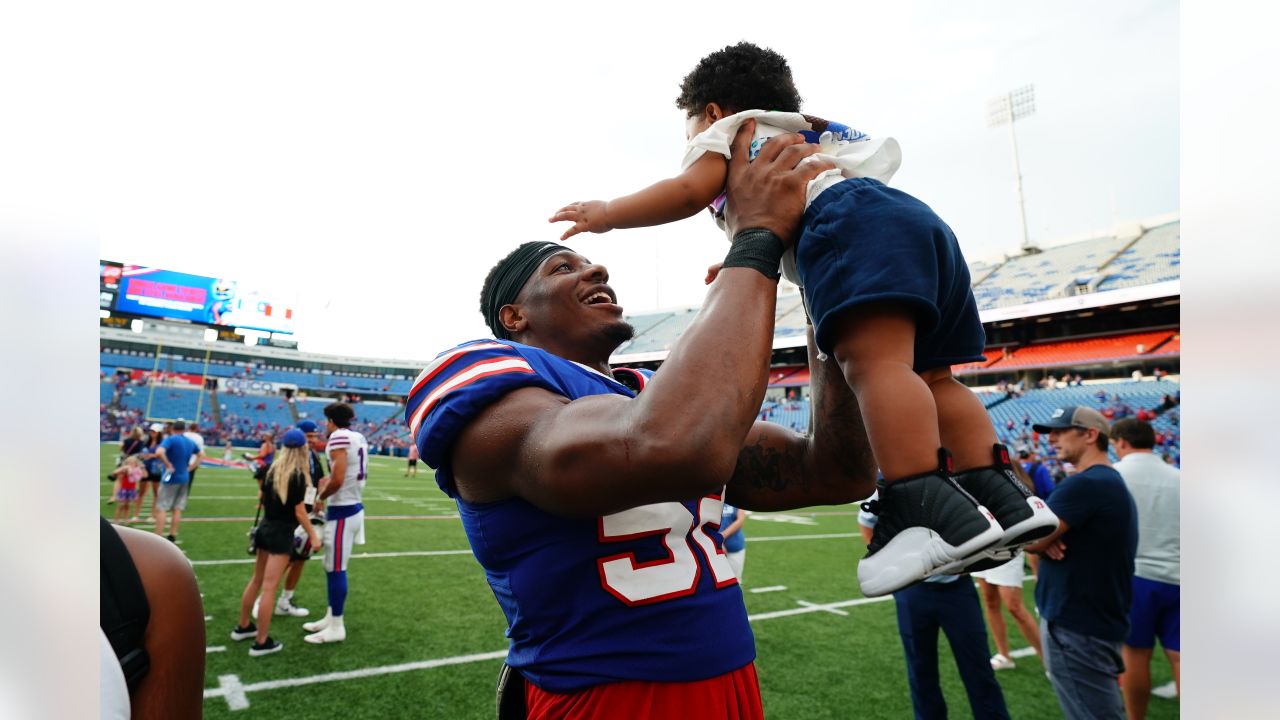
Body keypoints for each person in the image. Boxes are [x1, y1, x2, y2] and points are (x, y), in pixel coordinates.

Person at [549, 40, 1056, 596]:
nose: (692, 144)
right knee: (935, 377)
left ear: (712, 112)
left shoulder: (733, 130)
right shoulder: (804, 129)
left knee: (877, 366)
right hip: (911, 220)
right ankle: (1004, 497)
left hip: (847, 223)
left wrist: (608, 215)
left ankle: (920, 502)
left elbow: (689, 191)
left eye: (689, 130)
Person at [408, 128, 878, 718]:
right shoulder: (486, 373)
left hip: (731, 681)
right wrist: (755, 241)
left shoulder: (646, 393)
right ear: (514, 315)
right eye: (562, 267)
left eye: (588, 259)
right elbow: (670, 446)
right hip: (602, 693)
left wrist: (819, 295)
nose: (595, 266)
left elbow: (834, 471)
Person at [1026, 406, 1138, 720]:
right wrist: (1042, 542)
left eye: (1060, 431)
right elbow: (1040, 541)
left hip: (1076, 624)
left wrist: (1038, 543)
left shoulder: (1085, 484)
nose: (1051, 439)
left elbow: (1031, 540)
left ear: (1091, 435)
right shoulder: (1103, 481)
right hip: (1091, 620)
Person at [859, 491, 1011, 719]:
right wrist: (890, 562)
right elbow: (866, 522)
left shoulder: (954, 477)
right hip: (912, 589)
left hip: (957, 588)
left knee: (978, 669)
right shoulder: (888, 484)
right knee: (921, 671)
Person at [1111, 418, 1180, 718]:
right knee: (1181, 656)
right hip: (1181, 574)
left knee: (1136, 655)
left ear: (1121, 442)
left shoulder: (1113, 476)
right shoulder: (1179, 476)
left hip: (1137, 576)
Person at [231, 429, 321, 656]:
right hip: (281, 534)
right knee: (270, 587)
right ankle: (261, 641)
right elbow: (300, 512)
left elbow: (263, 497)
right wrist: (313, 535)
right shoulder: (299, 475)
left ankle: (243, 626)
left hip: (265, 528)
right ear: (302, 448)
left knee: (256, 581)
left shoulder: (272, 469)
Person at [301, 402, 369, 644]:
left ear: (331, 420)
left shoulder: (339, 437)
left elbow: (339, 478)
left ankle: (337, 625)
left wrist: (320, 497)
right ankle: (331, 616)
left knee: (336, 567)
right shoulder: (357, 436)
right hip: (349, 507)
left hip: (344, 510)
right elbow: (345, 472)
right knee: (331, 566)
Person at [973, 455, 1043, 671]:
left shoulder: (1012, 478)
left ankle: (1049, 661)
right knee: (990, 601)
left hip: (1007, 547)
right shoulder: (979, 475)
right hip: (983, 545)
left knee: (1014, 606)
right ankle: (1004, 655)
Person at [253, 419, 328, 620]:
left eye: (314, 436)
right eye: (309, 437)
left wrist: (319, 498)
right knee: (284, 560)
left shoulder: (313, 456)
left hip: (306, 514)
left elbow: (315, 483)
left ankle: (285, 600)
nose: (313, 440)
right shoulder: (289, 460)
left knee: (300, 559)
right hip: (291, 517)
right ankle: (263, 600)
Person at [154, 420, 199, 544]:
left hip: (170, 478)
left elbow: (159, 452)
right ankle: (172, 534)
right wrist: (191, 467)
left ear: (173, 428)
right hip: (184, 477)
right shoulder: (189, 442)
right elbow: (201, 454)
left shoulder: (171, 439)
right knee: (177, 508)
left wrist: (168, 464)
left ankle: (158, 535)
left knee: (162, 508)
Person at [136, 423, 165, 523]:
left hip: (156, 470)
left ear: (159, 433)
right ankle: (136, 515)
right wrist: (142, 457)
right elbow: (140, 455)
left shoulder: (163, 443)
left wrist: (152, 455)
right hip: (145, 469)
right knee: (141, 492)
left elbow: (163, 455)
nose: (152, 433)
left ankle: (153, 515)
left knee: (156, 494)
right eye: (151, 431)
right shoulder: (146, 442)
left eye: (154, 431)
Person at [110, 455, 145, 525]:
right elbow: (115, 472)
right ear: (126, 463)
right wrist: (124, 468)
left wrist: (136, 469)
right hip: (124, 490)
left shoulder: (136, 470)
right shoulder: (124, 469)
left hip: (131, 490)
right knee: (121, 505)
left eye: (133, 463)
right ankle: (116, 520)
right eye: (129, 463)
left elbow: (137, 477)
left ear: (136, 464)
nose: (131, 465)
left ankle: (126, 520)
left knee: (128, 506)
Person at [720, 500, 747, 582]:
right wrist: (717, 542)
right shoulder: (710, 497)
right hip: (713, 549)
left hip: (735, 548)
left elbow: (740, 521)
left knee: (735, 582)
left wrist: (720, 537)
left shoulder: (737, 496)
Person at [182, 421, 205, 489]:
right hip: (192, 464)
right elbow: (201, 454)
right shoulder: (198, 438)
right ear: (196, 428)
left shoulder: (183, 434)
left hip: (180, 462)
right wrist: (197, 464)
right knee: (187, 486)